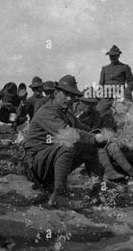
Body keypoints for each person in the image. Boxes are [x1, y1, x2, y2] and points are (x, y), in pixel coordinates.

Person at [21, 75, 107, 207]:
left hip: (50, 161)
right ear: (55, 93)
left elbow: (84, 129)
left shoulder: (66, 113)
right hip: (36, 164)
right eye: (66, 94)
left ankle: (96, 188)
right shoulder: (46, 111)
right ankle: (59, 194)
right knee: (68, 144)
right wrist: (94, 138)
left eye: (73, 96)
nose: (70, 99)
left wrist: (105, 136)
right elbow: (68, 133)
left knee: (90, 147)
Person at [96, 45, 133, 115]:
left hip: (120, 94)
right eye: (111, 56)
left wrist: (126, 92)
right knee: (98, 111)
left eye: (114, 56)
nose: (112, 57)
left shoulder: (125, 67)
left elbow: (131, 82)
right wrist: (99, 94)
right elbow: (101, 84)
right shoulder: (105, 68)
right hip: (107, 96)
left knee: (128, 112)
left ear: (118, 56)